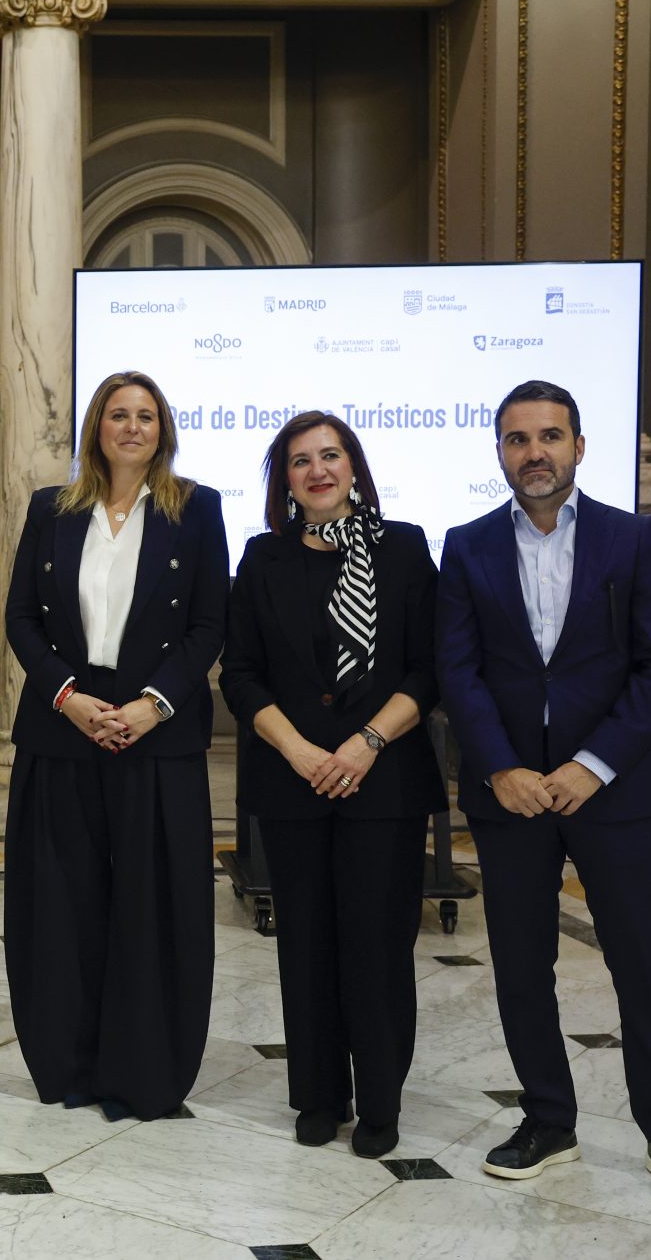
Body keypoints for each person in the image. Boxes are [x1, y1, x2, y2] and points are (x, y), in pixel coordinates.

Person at [435, 380, 651, 1211]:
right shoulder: (467, 545)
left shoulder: (632, 539)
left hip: (613, 790)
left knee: (643, 962)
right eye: (518, 438)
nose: (535, 453)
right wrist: (501, 767)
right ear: (499, 452)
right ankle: (548, 1119)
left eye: (550, 436)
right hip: (511, 795)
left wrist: (592, 764)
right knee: (524, 964)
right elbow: (459, 670)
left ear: (580, 447)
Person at [218, 411, 445, 1158]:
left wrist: (366, 741)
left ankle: (379, 1100)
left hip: (385, 779)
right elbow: (241, 674)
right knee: (306, 944)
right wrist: (299, 750)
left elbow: (428, 668)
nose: (317, 470)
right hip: (294, 782)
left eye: (331, 455)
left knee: (377, 946)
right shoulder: (262, 557)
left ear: (354, 467)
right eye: (300, 460)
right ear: (284, 480)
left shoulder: (403, 547)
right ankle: (317, 1094)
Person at [1, 369, 227, 1120]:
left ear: (163, 431)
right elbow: (21, 618)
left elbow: (209, 624)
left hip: (155, 734)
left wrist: (152, 706)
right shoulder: (51, 509)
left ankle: (143, 1073)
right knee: (63, 907)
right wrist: (67, 698)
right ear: (97, 426)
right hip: (64, 728)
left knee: (150, 909)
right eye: (119, 414)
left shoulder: (196, 509)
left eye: (146, 416)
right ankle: (70, 1065)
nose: (133, 427)